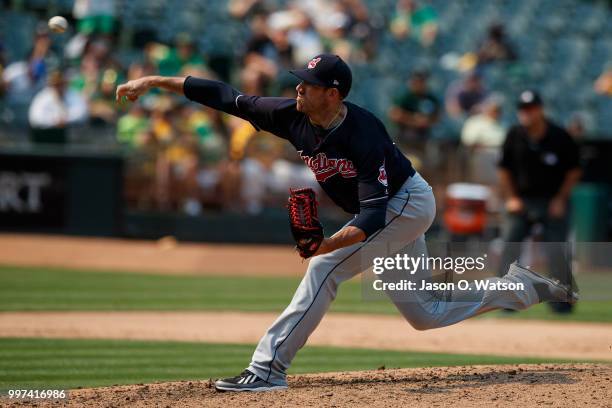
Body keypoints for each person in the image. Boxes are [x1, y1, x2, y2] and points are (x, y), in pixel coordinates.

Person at [116, 54, 577, 392]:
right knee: (425, 314)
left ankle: (267, 370)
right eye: (299, 81)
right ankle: (523, 287)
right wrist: (155, 81)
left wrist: (325, 248)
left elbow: (374, 216)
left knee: (325, 270)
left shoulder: (363, 132)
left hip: (406, 204)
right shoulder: (290, 115)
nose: (298, 88)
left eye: (308, 84)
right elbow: (224, 96)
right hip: (394, 211)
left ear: (332, 94)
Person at [497, 90, 582, 314]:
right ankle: (506, 299)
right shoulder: (514, 135)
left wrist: (560, 199)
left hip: (552, 200)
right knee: (510, 244)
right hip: (523, 200)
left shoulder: (559, 136)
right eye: (522, 109)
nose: (526, 113)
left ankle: (562, 304)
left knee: (556, 250)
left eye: (530, 108)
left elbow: (573, 171)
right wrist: (511, 198)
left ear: (540, 110)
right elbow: (504, 170)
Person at [388, 69, 440, 155]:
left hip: (424, 135)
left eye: (422, 81)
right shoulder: (405, 96)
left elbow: (437, 116)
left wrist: (427, 121)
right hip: (403, 134)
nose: (419, 84)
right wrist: (413, 120)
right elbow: (394, 114)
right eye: (417, 81)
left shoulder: (430, 98)